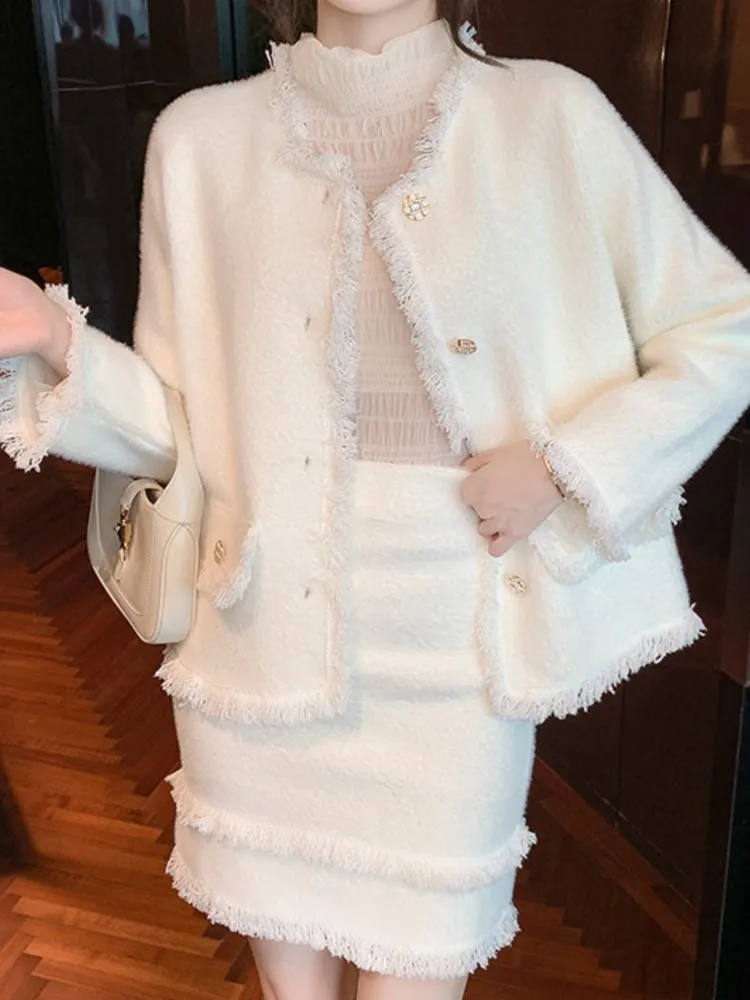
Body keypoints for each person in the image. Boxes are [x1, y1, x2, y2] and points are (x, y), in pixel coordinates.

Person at [2, 1, 750, 997]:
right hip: (260, 635)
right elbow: (175, 426)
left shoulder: (549, 117)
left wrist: (566, 466)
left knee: (418, 975)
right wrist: (56, 340)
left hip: (458, 640)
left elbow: (727, 329)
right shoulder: (198, 141)